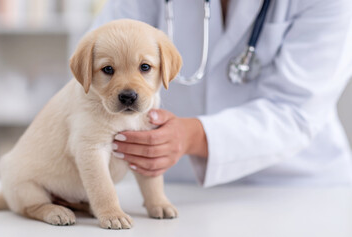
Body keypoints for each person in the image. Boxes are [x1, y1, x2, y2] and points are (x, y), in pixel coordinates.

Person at [90, 0, 352, 187]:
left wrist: (191, 136)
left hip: (296, 185)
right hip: (174, 186)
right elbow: (97, 62)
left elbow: (295, 109)